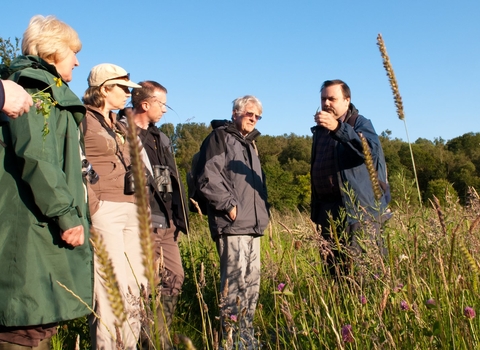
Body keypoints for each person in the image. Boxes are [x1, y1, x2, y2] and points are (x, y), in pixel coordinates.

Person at [0, 15, 92, 349]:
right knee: (22, 325)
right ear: (53, 52)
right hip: (30, 224)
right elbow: (37, 157)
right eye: (72, 51)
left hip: (41, 221)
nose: (78, 60)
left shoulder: (47, 91)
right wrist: (67, 215)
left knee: (39, 322)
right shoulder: (34, 90)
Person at [197, 95, 269, 349]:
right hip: (233, 226)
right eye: (250, 113)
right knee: (233, 288)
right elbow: (207, 176)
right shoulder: (220, 137)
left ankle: (245, 339)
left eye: (258, 116)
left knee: (251, 287)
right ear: (235, 112)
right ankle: (229, 342)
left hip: (253, 226)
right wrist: (229, 206)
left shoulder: (250, 144)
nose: (253, 118)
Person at [82, 63, 146, 350]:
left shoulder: (120, 124)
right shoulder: (81, 119)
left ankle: (129, 346)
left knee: (135, 286)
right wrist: (93, 205)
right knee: (109, 290)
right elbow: (75, 162)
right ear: (105, 89)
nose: (127, 95)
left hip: (132, 208)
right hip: (104, 207)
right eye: (122, 89)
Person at [310, 79, 390, 275]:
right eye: (323, 99)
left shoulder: (360, 123)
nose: (326, 103)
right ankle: (339, 303)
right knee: (334, 272)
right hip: (328, 212)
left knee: (362, 271)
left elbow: (368, 152)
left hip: (357, 212)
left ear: (346, 101)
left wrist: (338, 128)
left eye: (332, 98)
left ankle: (368, 305)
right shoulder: (320, 132)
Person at [131, 81, 188, 349]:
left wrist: (177, 215)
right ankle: (148, 341)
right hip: (140, 221)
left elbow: (169, 180)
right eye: (161, 103)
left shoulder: (160, 137)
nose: (165, 110)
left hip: (167, 222)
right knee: (147, 284)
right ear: (145, 104)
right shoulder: (124, 133)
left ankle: (158, 335)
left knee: (175, 277)